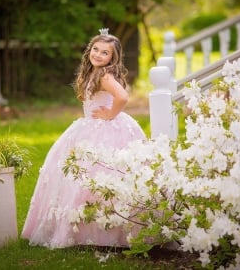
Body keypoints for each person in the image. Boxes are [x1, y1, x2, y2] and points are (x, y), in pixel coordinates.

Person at [21, 28, 146, 248]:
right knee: (85, 181)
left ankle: (105, 230)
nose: (98, 55)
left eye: (104, 53)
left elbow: (123, 97)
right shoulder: (94, 73)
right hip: (91, 126)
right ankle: (91, 230)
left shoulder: (104, 75)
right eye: (95, 49)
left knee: (101, 175)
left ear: (112, 58)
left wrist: (109, 114)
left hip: (105, 128)